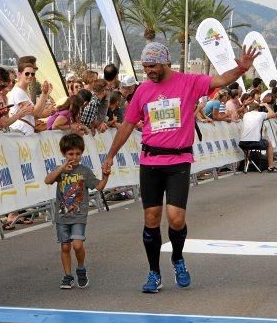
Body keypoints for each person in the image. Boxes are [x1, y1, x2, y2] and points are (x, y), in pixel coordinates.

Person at [102, 42, 259, 293]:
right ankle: (154, 273)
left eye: (152, 66)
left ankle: (177, 258)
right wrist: (110, 155)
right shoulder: (142, 91)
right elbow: (128, 125)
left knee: (176, 219)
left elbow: (220, 79)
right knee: (151, 218)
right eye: (145, 67)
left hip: (179, 161)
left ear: (165, 62)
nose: (148, 71)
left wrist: (241, 69)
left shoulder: (189, 82)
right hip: (150, 161)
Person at [44, 133, 110, 289]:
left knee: (78, 245)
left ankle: (81, 268)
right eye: (70, 154)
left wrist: (105, 176)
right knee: (65, 246)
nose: (74, 157)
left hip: (79, 215)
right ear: (64, 154)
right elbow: (48, 180)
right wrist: (61, 168)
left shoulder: (84, 171)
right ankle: (67, 276)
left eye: (78, 154)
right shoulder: (60, 170)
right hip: (62, 216)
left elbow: (99, 186)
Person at [8, 58, 52, 135]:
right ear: (19, 74)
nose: (30, 76)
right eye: (27, 73)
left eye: (33, 74)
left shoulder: (23, 91)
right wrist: (44, 95)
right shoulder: (18, 92)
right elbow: (36, 113)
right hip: (21, 132)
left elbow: (35, 113)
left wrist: (45, 94)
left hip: (26, 131)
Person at [239, 102, 277, 172]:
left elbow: (240, 111)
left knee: (248, 147)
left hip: (242, 143)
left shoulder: (246, 115)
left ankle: (246, 166)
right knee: (269, 143)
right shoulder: (261, 114)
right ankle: (271, 167)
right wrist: (266, 106)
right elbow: (272, 114)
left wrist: (245, 105)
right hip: (255, 142)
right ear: (258, 108)